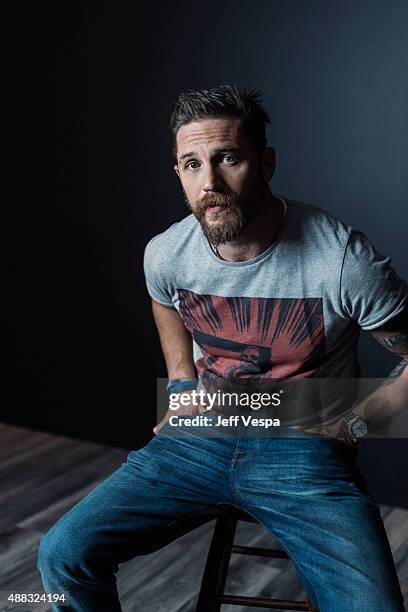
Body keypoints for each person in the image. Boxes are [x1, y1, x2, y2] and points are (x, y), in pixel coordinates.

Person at [37, 85, 408, 611]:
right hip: (198, 437)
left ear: (266, 161)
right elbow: (164, 301)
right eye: (191, 164)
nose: (209, 183)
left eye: (227, 158)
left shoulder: (342, 259)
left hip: (303, 446)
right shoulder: (167, 252)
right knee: (63, 554)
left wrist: (358, 420)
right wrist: (182, 385)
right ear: (179, 173)